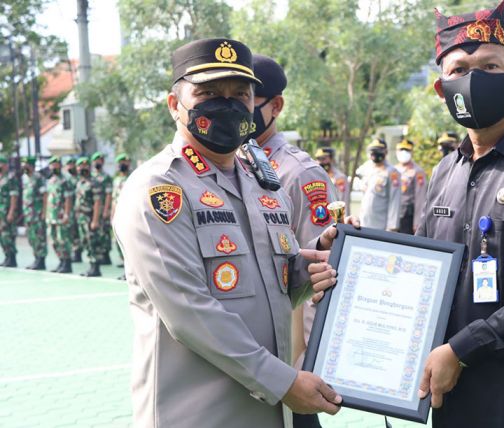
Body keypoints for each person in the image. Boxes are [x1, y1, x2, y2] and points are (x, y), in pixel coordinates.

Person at [310, 2, 504, 426]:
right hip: (453, 399)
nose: (473, 79)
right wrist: (350, 260)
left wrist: (462, 349)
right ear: (441, 87)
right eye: (459, 68)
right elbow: (423, 270)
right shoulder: (447, 170)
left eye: (489, 65)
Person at [112, 38, 343, 428]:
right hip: (201, 414)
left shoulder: (258, 180)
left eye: (240, 94)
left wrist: (311, 262)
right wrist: (283, 382)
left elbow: (275, 283)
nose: (228, 104)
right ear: (174, 105)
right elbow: (189, 311)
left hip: (271, 411)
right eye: (208, 93)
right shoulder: (157, 191)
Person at [250, 53, 339, 428]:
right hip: (250, 357)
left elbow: (319, 274)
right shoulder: (233, 165)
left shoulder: (298, 174)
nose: (234, 108)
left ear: (276, 106)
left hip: (286, 364)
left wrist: (305, 366)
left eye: (246, 100)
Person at [355, 138, 401, 231]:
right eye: (373, 151)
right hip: (364, 222)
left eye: (379, 151)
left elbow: (395, 201)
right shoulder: (366, 168)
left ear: (386, 152)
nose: (376, 154)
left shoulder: (392, 172)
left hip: (381, 225)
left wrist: (392, 227)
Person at [75, 156, 103, 277]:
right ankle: (91, 265)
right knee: (85, 242)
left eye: (85, 166)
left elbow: (97, 202)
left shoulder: (94, 182)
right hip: (81, 218)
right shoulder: (80, 183)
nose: (83, 168)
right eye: (81, 166)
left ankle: (95, 266)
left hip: (90, 217)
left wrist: (95, 220)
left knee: (93, 242)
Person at [46, 156, 73, 273]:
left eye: (56, 164)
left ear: (60, 166)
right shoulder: (50, 181)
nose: (54, 167)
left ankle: (67, 263)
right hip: (51, 216)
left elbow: (68, 198)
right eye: (52, 165)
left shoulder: (65, 180)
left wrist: (67, 214)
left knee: (63, 240)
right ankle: (61, 260)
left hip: (61, 216)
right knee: (53, 240)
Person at [394, 138, 428, 234]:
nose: (404, 152)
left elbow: (420, 199)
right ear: (396, 152)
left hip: (407, 217)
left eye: (407, 150)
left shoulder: (418, 172)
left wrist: (417, 222)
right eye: (401, 150)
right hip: (394, 217)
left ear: (412, 152)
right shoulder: (393, 170)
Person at [21, 156, 48, 270]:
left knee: (39, 236)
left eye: (25, 164)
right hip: (28, 214)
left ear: (30, 165)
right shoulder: (25, 178)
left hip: (37, 213)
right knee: (31, 237)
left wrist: (44, 212)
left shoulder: (38, 178)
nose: (23, 166)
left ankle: (41, 260)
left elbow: (45, 195)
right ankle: (36, 258)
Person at [91, 152, 113, 265]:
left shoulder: (106, 177)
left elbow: (109, 194)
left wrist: (106, 210)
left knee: (104, 232)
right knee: (95, 233)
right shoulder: (91, 177)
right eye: (96, 161)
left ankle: (106, 254)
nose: (97, 162)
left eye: (99, 160)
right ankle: (98, 254)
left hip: (103, 207)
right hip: (93, 209)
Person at [315, 147, 351, 215]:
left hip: (335, 216)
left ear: (331, 159)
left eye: (323, 159)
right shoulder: (315, 177)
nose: (320, 162)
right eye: (318, 159)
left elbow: (343, 201)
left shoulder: (339, 178)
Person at [112, 153, 131, 278]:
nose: (122, 165)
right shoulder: (117, 180)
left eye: (124, 163)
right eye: (120, 163)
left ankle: (129, 273)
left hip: (128, 215)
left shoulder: (133, 178)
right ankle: (125, 270)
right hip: (118, 215)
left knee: (129, 244)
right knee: (118, 244)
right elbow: (114, 199)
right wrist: (112, 215)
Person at [0, 154, 19, 267]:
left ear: (6, 165)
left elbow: (14, 196)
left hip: (7, 211)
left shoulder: (10, 178)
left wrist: (11, 211)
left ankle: (12, 257)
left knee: (8, 234)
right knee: (2, 236)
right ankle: (7, 256)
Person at [64, 157, 82, 263]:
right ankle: (76, 252)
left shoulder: (81, 178)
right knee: (73, 231)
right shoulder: (67, 180)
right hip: (71, 209)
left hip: (81, 209)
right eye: (68, 165)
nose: (71, 167)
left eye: (72, 165)